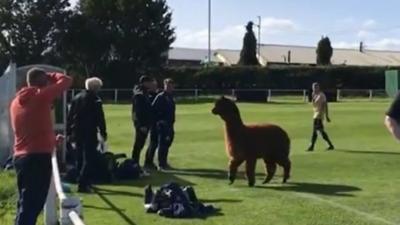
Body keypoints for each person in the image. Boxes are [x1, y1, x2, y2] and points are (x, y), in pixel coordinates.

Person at [10, 68, 72, 225]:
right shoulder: (40, 96)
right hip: (37, 158)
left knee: (25, 203)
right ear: (43, 83)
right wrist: (51, 75)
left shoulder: (16, 102)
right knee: (33, 204)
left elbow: (31, 129)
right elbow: (66, 80)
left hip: (21, 157)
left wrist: (51, 140)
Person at [67, 77, 107, 193]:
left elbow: (70, 116)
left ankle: (80, 178)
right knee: (89, 158)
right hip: (89, 131)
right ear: (96, 88)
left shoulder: (77, 97)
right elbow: (100, 118)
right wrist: (103, 132)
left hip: (77, 131)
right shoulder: (95, 99)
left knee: (79, 156)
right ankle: (83, 183)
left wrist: (69, 131)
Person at [131, 75, 154, 173]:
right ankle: (134, 164)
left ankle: (135, 164)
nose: (151, 84)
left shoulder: (144, 92)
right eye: (149, 82)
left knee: (140, 144)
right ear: (144, 82)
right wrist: (141, 125)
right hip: (142, 124)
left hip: (145, 123)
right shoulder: (139, 94)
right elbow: (138, 111)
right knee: (138, 144)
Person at [153, 78, 176, 171]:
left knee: (167, 143)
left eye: (171, 86)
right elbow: (153, 110)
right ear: (164, 86)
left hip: (170, 124)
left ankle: (164, 161)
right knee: (162, 144)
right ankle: (161, 164)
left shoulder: (171, 97)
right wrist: (159, 121)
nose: (169, 88)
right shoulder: (161, 97)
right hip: (162, 125)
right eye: (167, 86)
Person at [307, 82, 334, 151]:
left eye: (316, 87)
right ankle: (330, 145)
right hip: (315, 114)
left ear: (318, 88)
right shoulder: (314, 95)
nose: (314, 89)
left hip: (319, 115)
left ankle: (312, 146)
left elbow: (325, 105)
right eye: (313, 88)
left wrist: (327, 115)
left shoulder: (322, 95)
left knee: (316, 131)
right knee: (320, 131)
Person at [144, 79, 160, 170]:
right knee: (153, 142)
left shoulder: (155, 95)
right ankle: (148, 161)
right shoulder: (150, 96)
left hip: (155, 121)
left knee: (154, 142)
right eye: (154, 86)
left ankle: (149, 160)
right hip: (153, 122)